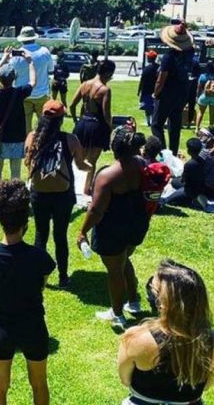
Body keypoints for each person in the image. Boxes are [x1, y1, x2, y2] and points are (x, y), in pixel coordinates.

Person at [0, 179, 56, 405]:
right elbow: (41, 284)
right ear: (25, 219)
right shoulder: (40, 258)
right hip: (34, 326)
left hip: (2, 329)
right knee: (39, 384)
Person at [118, 260, 214, 405]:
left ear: (163, 302)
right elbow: (209, 382)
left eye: (153, 289)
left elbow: (125, 380)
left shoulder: (136, 338)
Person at [77, 126, 149, 328]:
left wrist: (82, 231)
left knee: (114, 271)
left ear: (114, 148)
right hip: (136, 224)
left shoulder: (107, 176)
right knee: (125, 259)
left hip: (112, 228)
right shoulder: (142, 164)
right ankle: (133, 302)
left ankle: (117, 314)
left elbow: (96, 211)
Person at [25, 100, 89, 288]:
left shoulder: (32, 138)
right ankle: (63, 277)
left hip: (39, 193)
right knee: (60, 236)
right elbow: (80, 164)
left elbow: (27, 163)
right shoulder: (70, 139)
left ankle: (38, 276)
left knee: (40, 234)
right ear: (61, 119)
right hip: (63, 194)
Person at [0, 49, 36, 182]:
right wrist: (30, 62)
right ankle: (15, 196)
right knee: (15, 172)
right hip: (17, 136)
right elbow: (33, 82)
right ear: (14, 77)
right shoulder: (19, 92)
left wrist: (4, 58)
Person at [71, 59, 115, 196]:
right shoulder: (104, 90)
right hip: (97, 126)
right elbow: (106, 115)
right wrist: (112, 128)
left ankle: (71, 184)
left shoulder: (85, 84)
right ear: (107, 73)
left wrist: (76, 121)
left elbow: (72, 105)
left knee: (79, 158)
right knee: (92, 160)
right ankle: (86, 188)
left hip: (83, 123)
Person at [151, 23, 195, 155]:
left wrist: (156, 93)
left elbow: (161, 78)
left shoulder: (168, 57)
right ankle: (174, 152)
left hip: (167, 93)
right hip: (182, 92)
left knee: (156, 124)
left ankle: (164, 153)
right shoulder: (189, 54)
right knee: (175, 124)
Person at [12, 26, 54, 134]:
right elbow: (51, 69)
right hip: (42, 94)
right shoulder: (44, 51)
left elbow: (12, 74)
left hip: (23, 94)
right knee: (44, 125)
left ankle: (27, 146)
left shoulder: (16, 55)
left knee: (25, 127)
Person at [161, 138, 210, 211]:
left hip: (189, 191)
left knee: (167, 200)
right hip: (200, 188)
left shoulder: (189, 164)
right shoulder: (202, 161)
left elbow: (183, 180)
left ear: (189, 151)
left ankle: (189, 201)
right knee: (174, 182)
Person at [195, 61, 214, 130]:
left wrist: (197, 96)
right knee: (212, 113)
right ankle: (211, 127)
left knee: (201, 112)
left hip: (204, 96)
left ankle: (197, 128)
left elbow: (199, 88)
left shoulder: (203, 76)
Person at [137, 51, 159, 126]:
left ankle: (148, 121)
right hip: (156, 90)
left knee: (147, 107)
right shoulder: (159, 68)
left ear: (150, 58)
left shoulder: (146, 69)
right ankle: (153, 120)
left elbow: (142, 80)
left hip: (146, 90)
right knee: (154, 107)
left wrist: (139, 90)